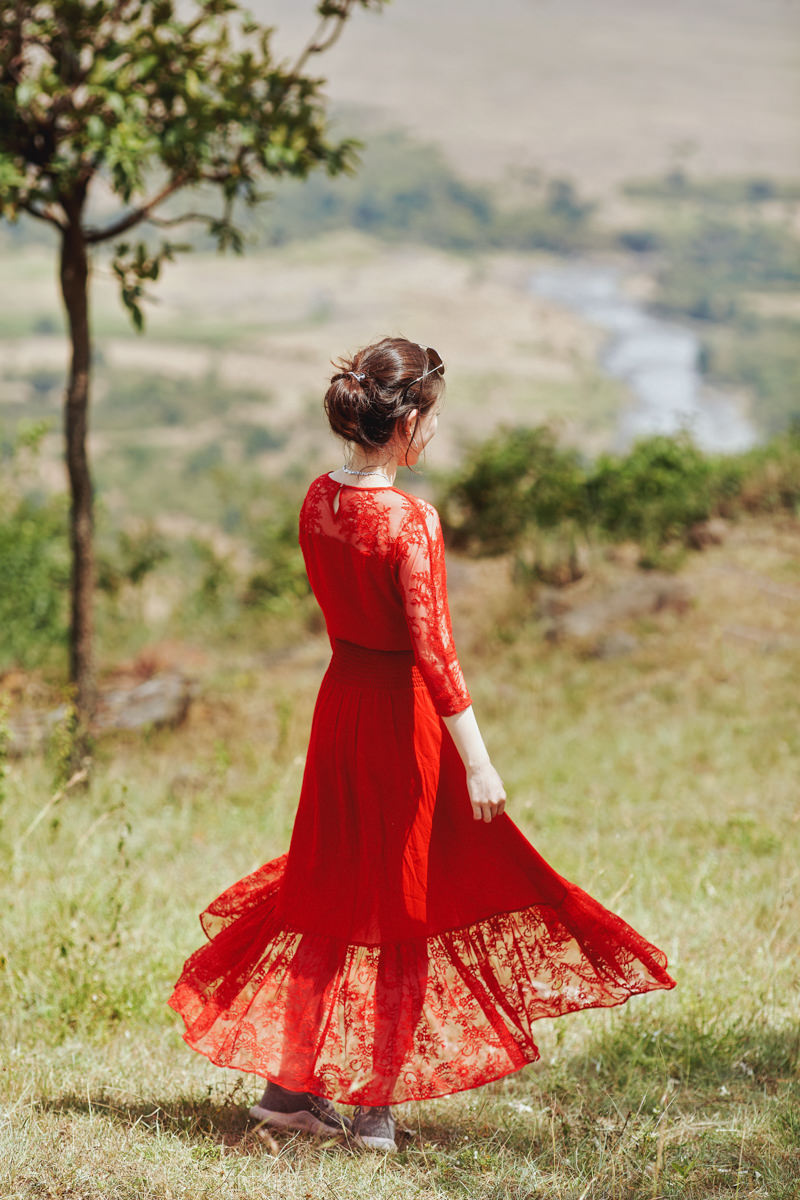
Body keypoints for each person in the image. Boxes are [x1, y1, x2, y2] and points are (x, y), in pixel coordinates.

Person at [168, 336, 675, 1153]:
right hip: (400, 719)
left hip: (339, 708)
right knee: (402, 906)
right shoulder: (412, 521)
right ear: (406, 421)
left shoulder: (316, 499)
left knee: (329, 889)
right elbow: (435, 654)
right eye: (432, 414)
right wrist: (478, 759)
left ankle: (286, 1091)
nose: (436, 431)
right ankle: (373, 1112)